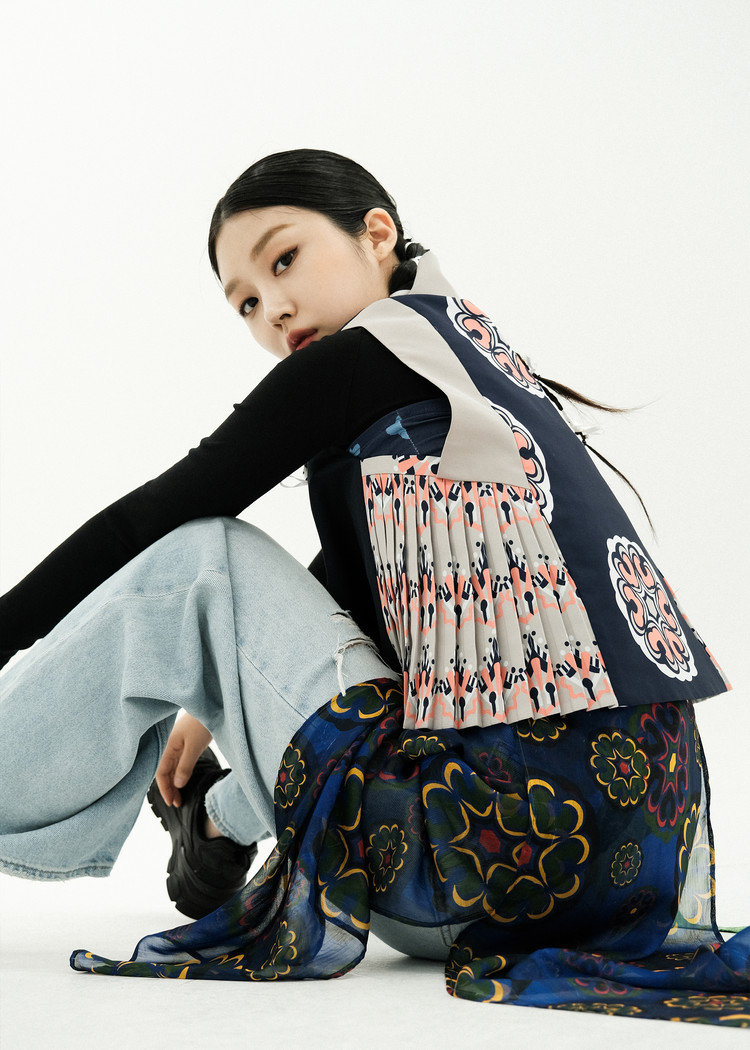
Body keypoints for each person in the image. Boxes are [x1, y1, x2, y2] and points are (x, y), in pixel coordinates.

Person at [1, 149, 749, 1025]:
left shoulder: (359, 360)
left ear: (377, 233)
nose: (273, 309)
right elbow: (385, 609)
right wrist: (214, 687)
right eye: (246, 304)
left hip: (455, 878)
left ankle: (204, 819)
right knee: (368, 684)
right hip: (604, 899)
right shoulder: (471, 358)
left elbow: (155, 519)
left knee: (197, 556)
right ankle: (214, 822)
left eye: (284, 260)